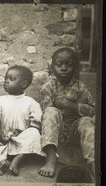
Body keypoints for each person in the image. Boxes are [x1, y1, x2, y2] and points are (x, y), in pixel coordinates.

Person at [38, 47, 95, 178]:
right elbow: (46, 110)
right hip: (55, 133)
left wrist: (69, 105)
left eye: (68, 65)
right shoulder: (48, 87)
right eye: (59, 65)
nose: (63, 68)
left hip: (74, 131)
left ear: (75, 67)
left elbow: (91, 111)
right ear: (52, 67)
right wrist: (76, 105)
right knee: (51, 111)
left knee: (86, 121)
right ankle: (51, 158)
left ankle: (93, 162)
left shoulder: (81, 87)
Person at [0, 65, 45, 176]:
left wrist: (22, 133)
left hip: (21, 139)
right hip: (3, 139)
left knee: (35, 134)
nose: (6, 82)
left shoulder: (31, 103)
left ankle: (19, 158)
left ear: (24, 84)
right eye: (6, 78)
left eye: (11, 79)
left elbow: (36, 124)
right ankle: (3, 161)